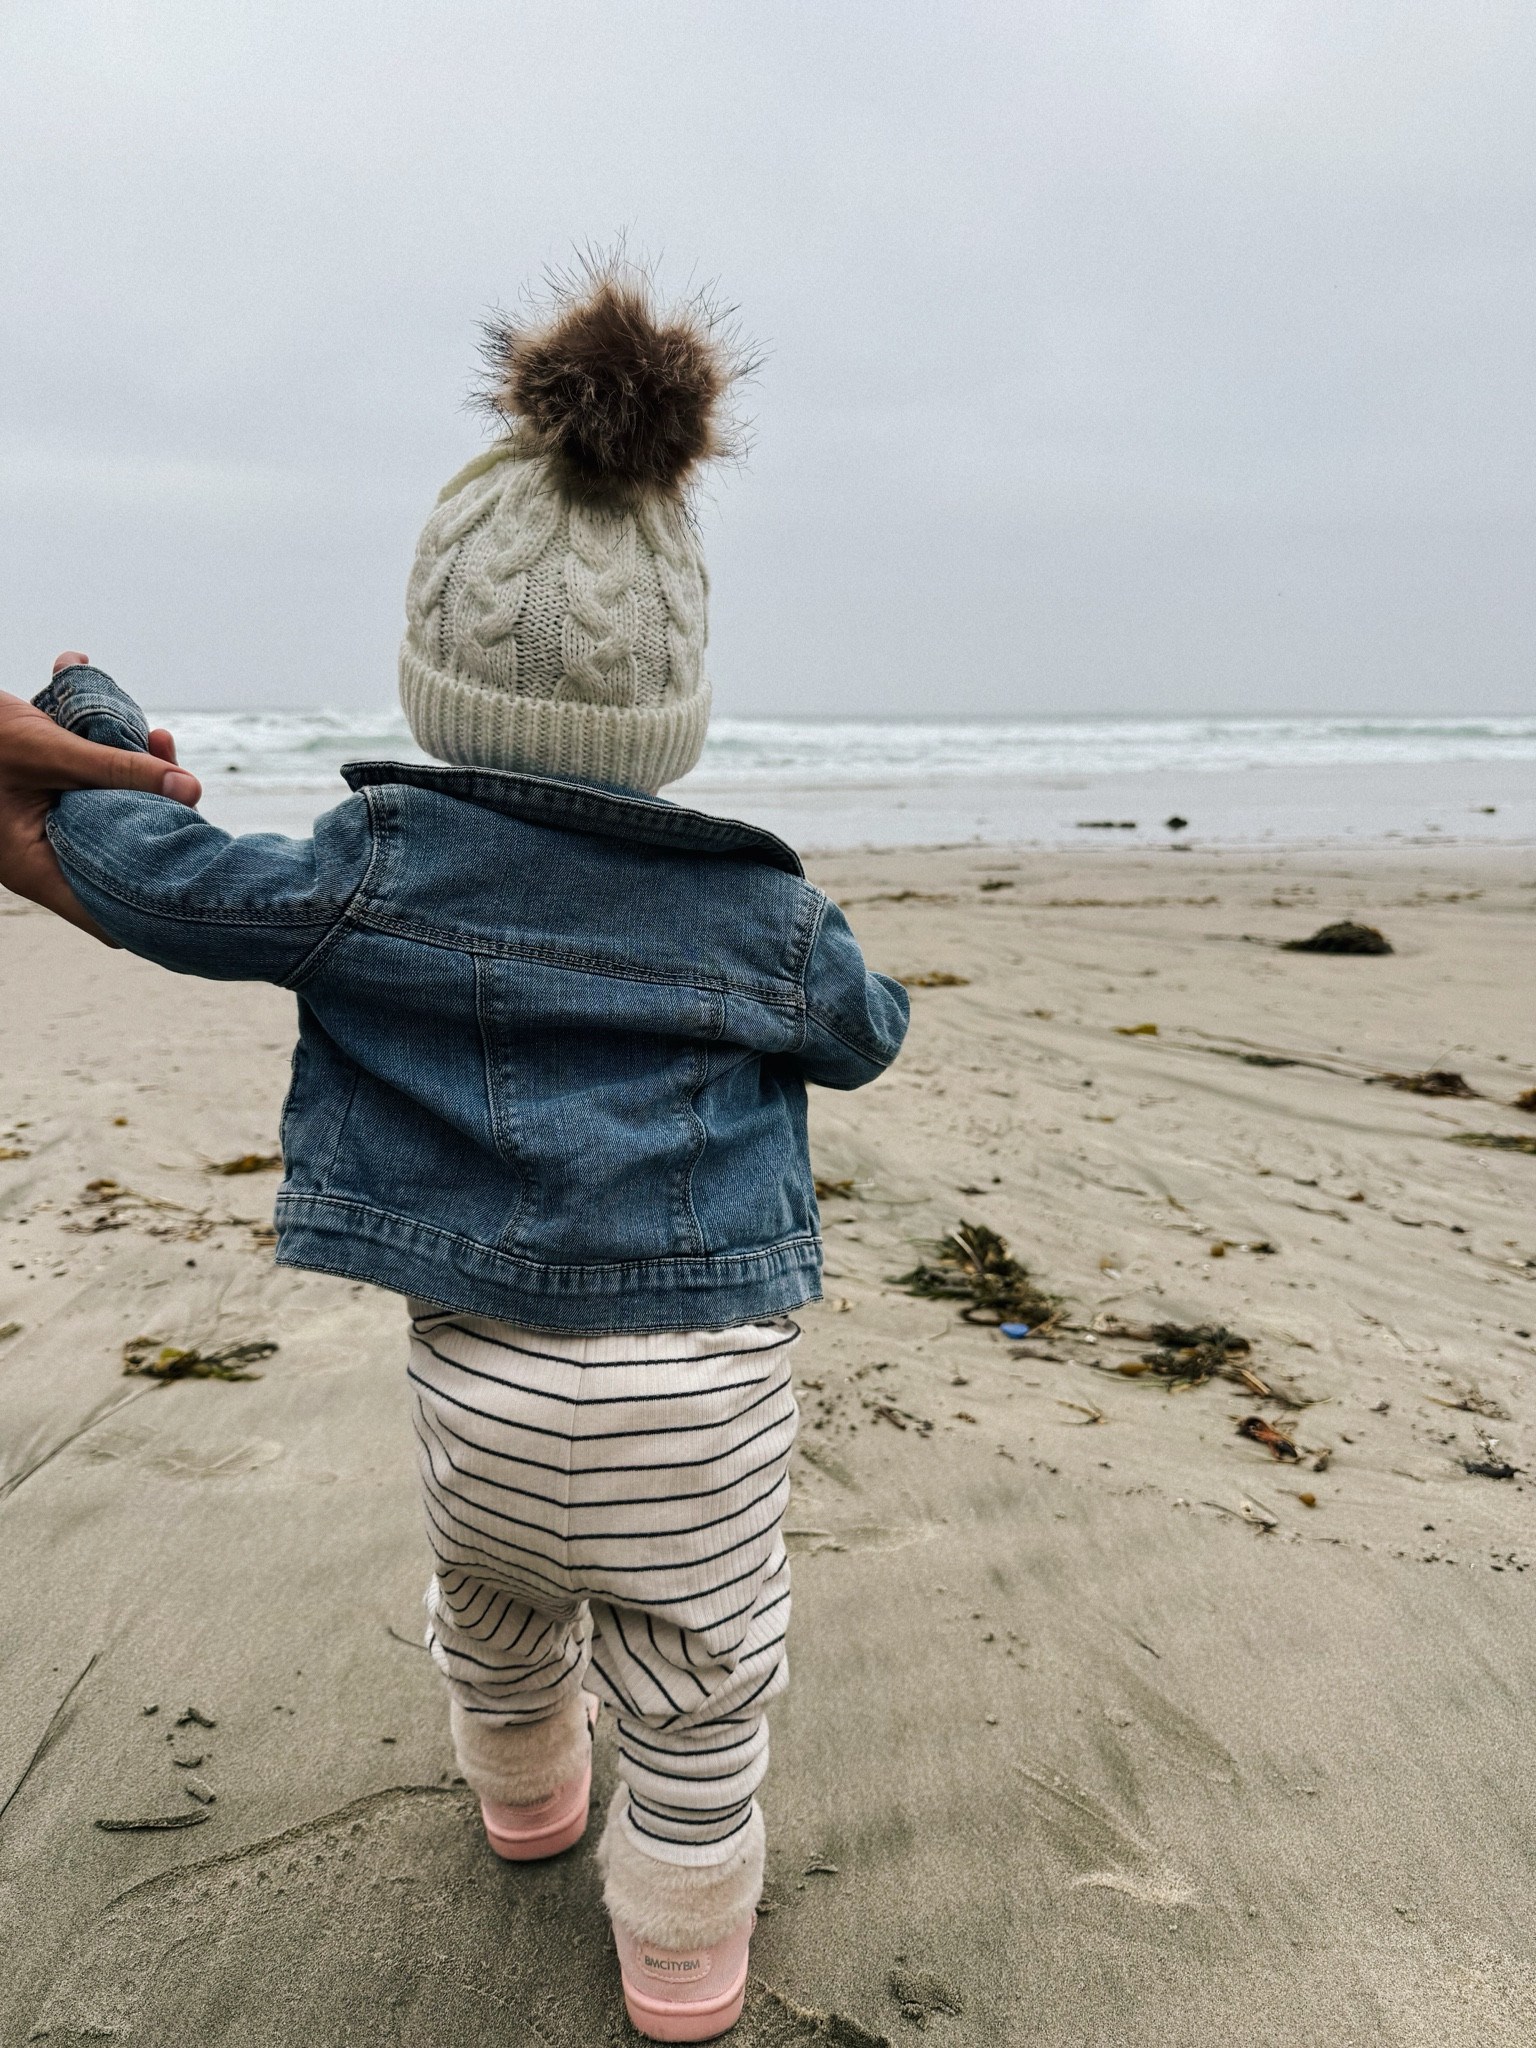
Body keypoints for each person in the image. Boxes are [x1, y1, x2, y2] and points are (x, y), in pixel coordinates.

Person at [12, 263, 908, 2042]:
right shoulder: (765, 913)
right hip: (704, 1408)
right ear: (675, 703)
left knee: (498, 1610)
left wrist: (97, 741)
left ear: (436, 677)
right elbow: (869, 1033)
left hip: (483, 1398)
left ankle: (523, 1809)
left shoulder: (370, 867)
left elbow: (156, 878)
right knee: (703, 1688)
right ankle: (678, 1965)